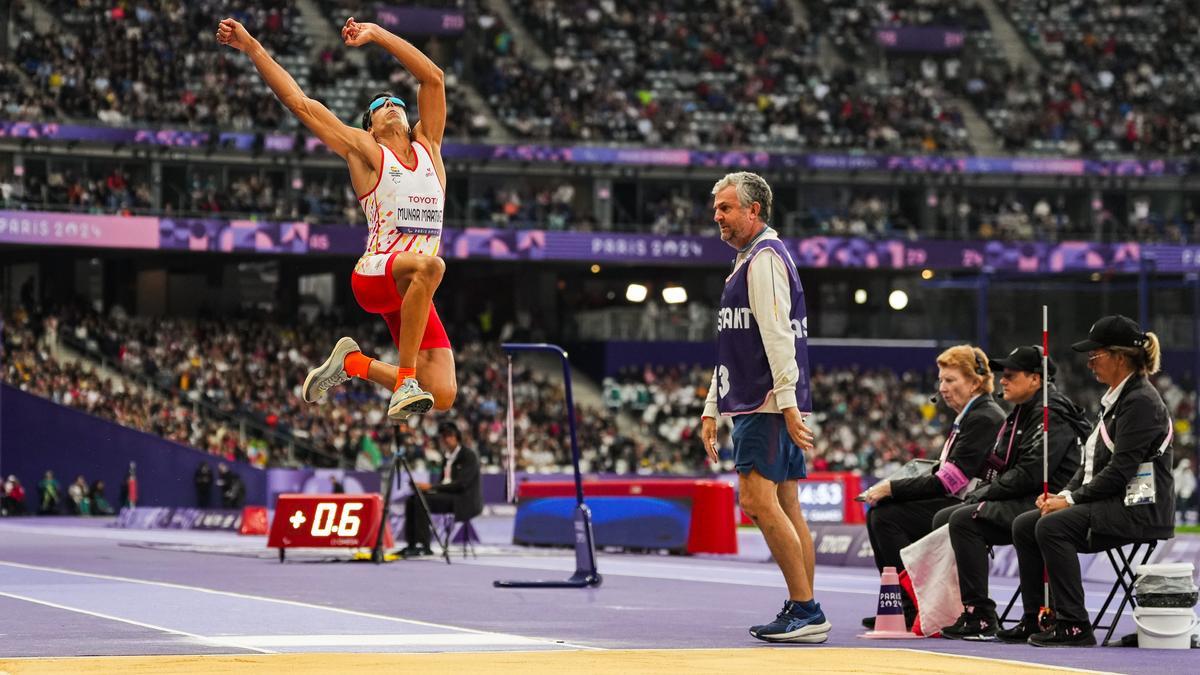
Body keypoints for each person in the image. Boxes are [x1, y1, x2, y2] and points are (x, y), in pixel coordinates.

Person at [217, 16, 456, 420]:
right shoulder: (366, 151)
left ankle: (352, 363)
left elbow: (432, 78)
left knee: (443, 393)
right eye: (379, 106)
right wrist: (253, 48)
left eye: (396, 103)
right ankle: (406, 382)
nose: (390, 106)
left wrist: (376, 33)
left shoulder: (430, 147)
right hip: (375, 275)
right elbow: (300, 104)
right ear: (370, 127)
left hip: (411, 288)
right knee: (432, 266)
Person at [698, 172, 829, 644]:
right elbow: (733, 345)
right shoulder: (750, 259)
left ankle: (806, 609)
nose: (717, 216)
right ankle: (805, 607)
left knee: (756, 501)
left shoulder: (764, 259)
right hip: (764, 398)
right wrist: (712, 406)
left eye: (726, 208)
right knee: (788, 505)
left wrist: (787, 403)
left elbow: (777, 336)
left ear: (753, 210)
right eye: (716, 208)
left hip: (766, 401)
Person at [1012, 315, 1174, 647]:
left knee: (1052, 527)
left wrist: (1070, 501)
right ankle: (1036, 617)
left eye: (1095, 355)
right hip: (1116, 502)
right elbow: (1089, 464)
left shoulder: (1140, 402)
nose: (1089, 363)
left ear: (1120, 357)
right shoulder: (1117, 400)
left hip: (1140, 509)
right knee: (1026, 524)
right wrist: (1061, 495)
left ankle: (1074, 624)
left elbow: (1119, 471)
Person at [933, 346, 1088, 640]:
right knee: (945, 517)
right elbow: (1006, 467)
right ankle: (950, 609)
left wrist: (985, 494)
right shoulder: (1023, 412)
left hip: (1045, 500)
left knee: (964, 520)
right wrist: (985, 491)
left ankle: (981, 615)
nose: (1002, 380)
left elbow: (1030, 473)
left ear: (1035, 379)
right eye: (1003, 374)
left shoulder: (1050, 414)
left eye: (1011, 375)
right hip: (1024, 496)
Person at [860, 344, 1005, 629]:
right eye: (941, 380)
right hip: (958, 502)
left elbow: (950, 480)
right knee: (880, 512)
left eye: (950, 380)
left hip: (969, 506)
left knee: (885, 516)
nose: (942, 388)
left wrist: (891, 487)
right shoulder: (971, 415)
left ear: (975, 382)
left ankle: (913, 605)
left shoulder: (985, 417)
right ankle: (903, 604)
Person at [402, 422, 483, 557]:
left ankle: (424, 545)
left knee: (420, 501)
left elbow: (461, 484)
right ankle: (411, 544)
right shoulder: (447, 457)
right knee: (412, 500)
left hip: (463, 499)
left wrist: (431, 487)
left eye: (449, 436)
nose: (446, 439)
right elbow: (444, 482)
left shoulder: (468, 455)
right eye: (443, 436)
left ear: (457, 437)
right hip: (448, 495)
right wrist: (427, 489)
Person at [1175, 457, 1196, 525]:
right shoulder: (1177, 472)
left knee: (1184, 506)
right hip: (1176, 493)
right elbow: (1175, 482)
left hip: (1185, 493)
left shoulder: (1189, 473)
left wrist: (1190, 490)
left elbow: (1192, 483)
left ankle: (1183, 519)